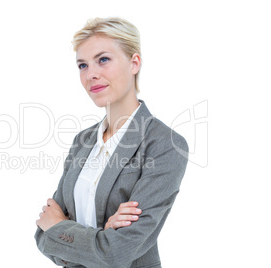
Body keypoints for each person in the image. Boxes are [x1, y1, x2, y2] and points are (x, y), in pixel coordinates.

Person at [34, 17, 189, 268]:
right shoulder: (82, 141)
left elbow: (118, 253)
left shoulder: (166, 144)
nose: (91, 74)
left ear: (134, 63)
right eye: (82, 65)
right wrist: (101, 237)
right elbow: (42, 235)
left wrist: (63, 229)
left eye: (103, 59)